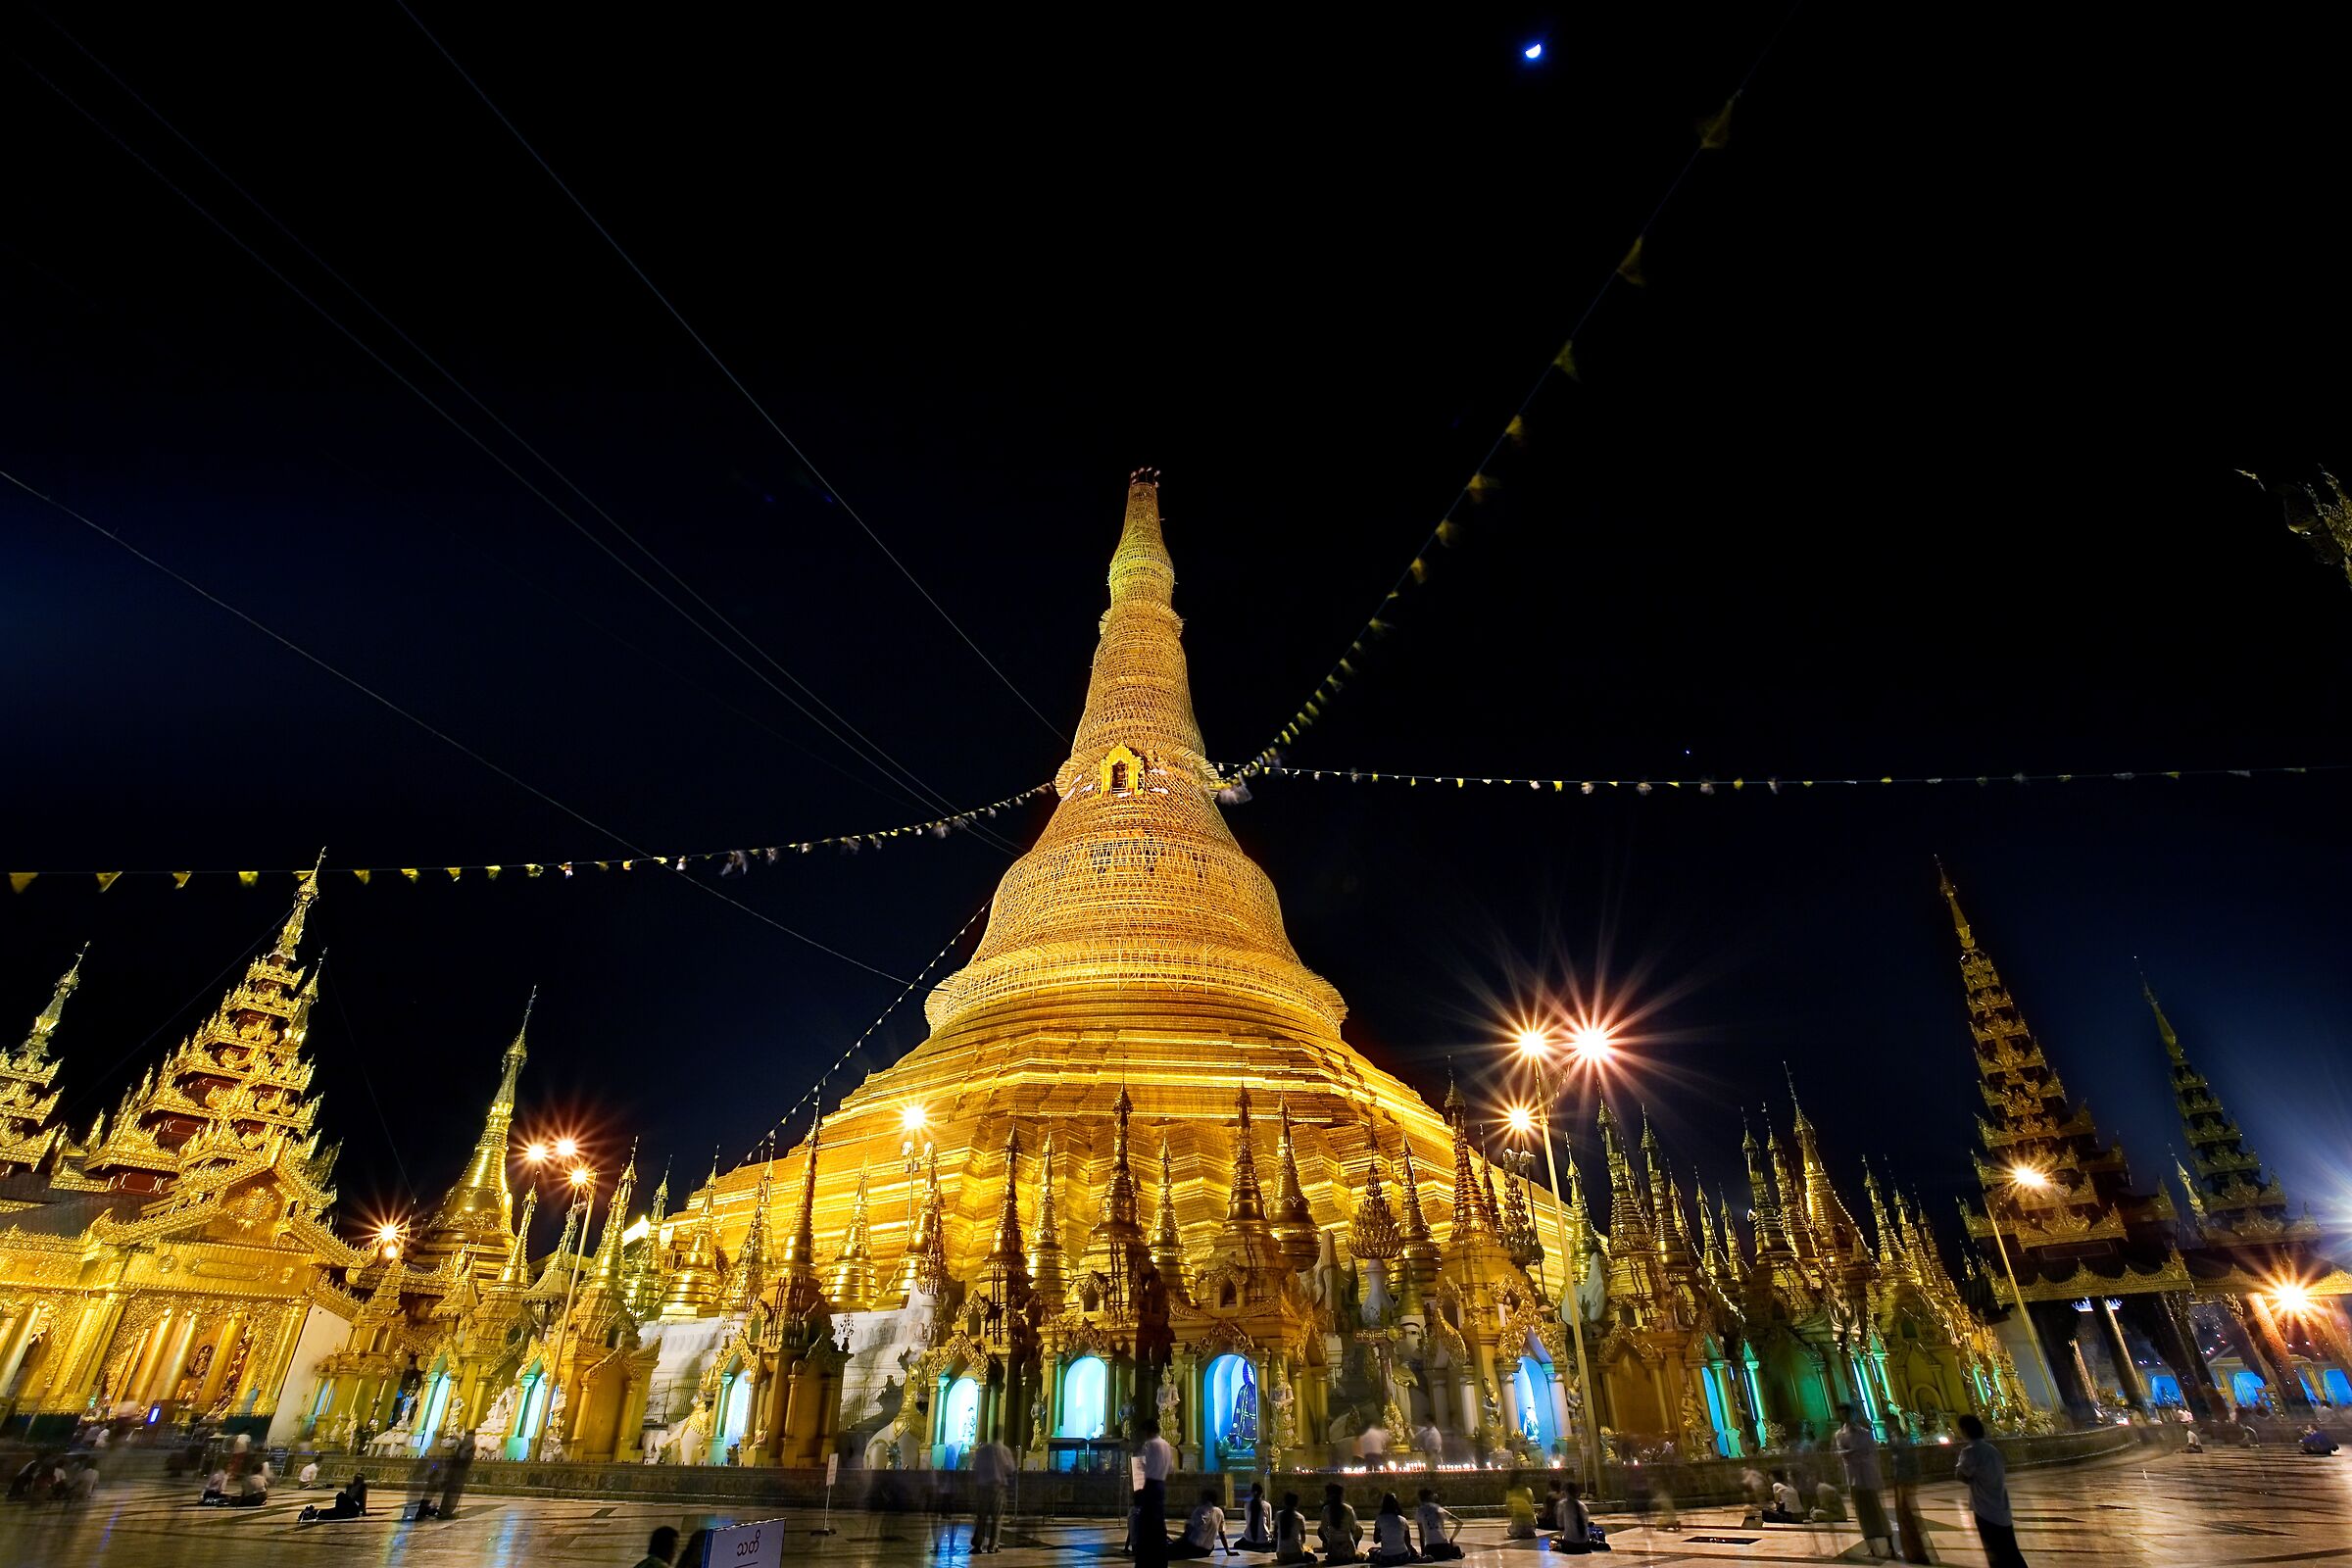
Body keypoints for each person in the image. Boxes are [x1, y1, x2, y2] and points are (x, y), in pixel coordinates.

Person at [1955, 1415, 2027, 1568]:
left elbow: (1960, 1475)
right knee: (2011, 1551)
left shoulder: (1970, 1452)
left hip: (1984, 1510)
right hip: (2001, 1507)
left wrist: (1970, 1478)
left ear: (1965, 1431)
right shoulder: (1992, 1450)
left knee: (1994, 1553)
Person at [1836, 1406, 1893, 1558]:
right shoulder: (1840, 1435)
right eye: (1843, 1414)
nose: (1846, 1417)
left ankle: (1891, 1546)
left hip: (1867, 1477)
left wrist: (1851, 1453)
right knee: (1862, 1515)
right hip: (1854, 1479)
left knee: (1877, 1511)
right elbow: (1841, 1453)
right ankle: (1872, 1548)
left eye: (1848, 1413)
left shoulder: (1865, 1433)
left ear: (1853, 1414)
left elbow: (1870, 1453)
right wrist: (1852, 1452)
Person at [1135, 1418, 1177, 1568]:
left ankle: (1146, 1560)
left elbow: (1142, 1465)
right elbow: (1171, 1467)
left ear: (1148, 1431)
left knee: (1146, 1525)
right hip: (1161, 1485)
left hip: (1151, 1485)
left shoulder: (1150, 1445)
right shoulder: (1166, 1445)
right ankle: (1160, 1559)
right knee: (1158, 1524)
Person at [1171, 1487, 1231, 1559]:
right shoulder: (1219, 1512)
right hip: (1207, 1550)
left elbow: (1189, 1531)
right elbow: (1221, 1533)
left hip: (1194, 1548)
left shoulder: (1200, 1510)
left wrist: (1179, 1541)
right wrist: (1227, 1551)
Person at [973, 1435, 1008, 1553]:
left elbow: (975, 1467)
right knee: (997, 1519)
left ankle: (978, 1545)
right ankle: (993, 1546)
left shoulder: (982, 1451)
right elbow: (1010, 1468)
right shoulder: (1003, 1450)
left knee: (981, 1518)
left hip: (983, 1487)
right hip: (997, 1488)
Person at [1318, 1485, 1363, 1564]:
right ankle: (1355, 1547)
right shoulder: (1348, 1509)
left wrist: (1328, 1540)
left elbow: (1323, 1529)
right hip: (1348, 1551)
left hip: (1333, 1552)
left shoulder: (1326, 1510)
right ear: (1342, 1495)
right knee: (1359, 1529)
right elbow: (1353, 1527)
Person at [1414, 1488, 1462, 1560]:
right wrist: (1451, 1539)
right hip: (1444, 1548)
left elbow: (1422, 1536)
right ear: (1430, 1497)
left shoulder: (1420, 1511)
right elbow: (1459, 1523)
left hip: (1431, 1549)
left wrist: (1423, 1554)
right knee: (1456, 1547)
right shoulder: (1438, 1509)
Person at [1367, 1494, 1414, 1566]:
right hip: (1403, 1556)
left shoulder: (1380, 1518)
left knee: (1371, 1550)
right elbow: (1408, 1540)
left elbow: (1376, 1540)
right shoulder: (1403, 1520)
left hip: (1387, 1557)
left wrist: (1385, 1534)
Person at [1275, 1492, 1314, 1565]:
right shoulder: (1300, 1517)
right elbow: (1303, 1540)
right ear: (1296, 1503)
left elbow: (1275, 1535)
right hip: (1296, 1554)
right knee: (1310, 1552)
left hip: (1281, 1555)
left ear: (1285, 1502)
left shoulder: (1278, 1515)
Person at [1237, 1482, 1277, 1551]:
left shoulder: (1247, 1505)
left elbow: (1247, 1521)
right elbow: (1268, 1525)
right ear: (1262, 1493)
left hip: (1249, 1539)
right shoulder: (1267, 1505)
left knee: (1237, 1544)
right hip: (1263, 1540)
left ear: (1252, 1492)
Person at [1501, 1476, 1538, 1540]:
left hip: (1517, 1518)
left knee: (1510, 1529)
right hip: (1529, 1518)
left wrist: (1514, 1517)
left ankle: (1519, 1533)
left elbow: (1509, 1507)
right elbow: (1531, 1505)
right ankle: (1527, 1532)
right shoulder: (1528, 1490)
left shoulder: (1510, 1491)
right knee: (1527, 1529)